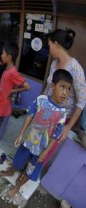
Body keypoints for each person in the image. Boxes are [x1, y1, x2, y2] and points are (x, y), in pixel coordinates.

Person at [0, 69, 73, 197]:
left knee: (31, 170)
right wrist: (21, 134)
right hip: (28, 141)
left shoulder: (62, 113)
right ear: (53, 86)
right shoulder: (41, 99)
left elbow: (56, 136)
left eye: (68, 89)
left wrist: (46, 152)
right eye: (62, 87)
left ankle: (17, 187)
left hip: (41, 148)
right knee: (17, 160)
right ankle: (12, 171)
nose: (65, 93)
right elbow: (30, 115)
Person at [42, 29, 86, 164]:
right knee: (37, 140)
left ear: (56, 44)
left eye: (49, 46)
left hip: (62, 118)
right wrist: (40, 103)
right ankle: (26, 167)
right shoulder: (54, 64)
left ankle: (32, 172)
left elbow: (82, 100)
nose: (49, 50)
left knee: (47, 148)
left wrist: (68, 127)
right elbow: (49, 87)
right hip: (46, 111)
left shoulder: (75, 68)